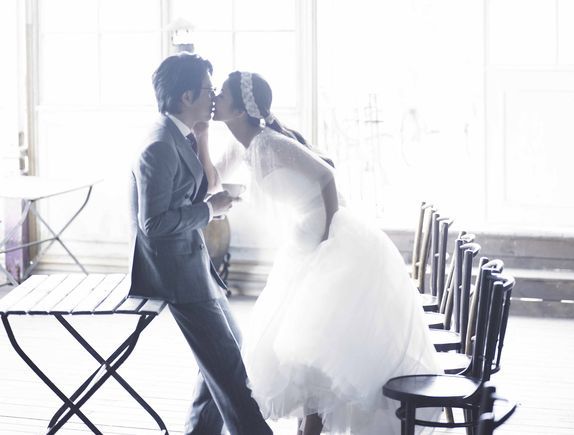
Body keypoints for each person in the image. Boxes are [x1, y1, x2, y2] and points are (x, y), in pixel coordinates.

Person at [212, 71, 442, 435]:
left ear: (240, 110)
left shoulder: (269, 143)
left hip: (329, 236)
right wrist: (199, 133)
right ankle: (309, 427)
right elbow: (211, 179)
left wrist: (331, 233)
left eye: (221, 94)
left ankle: (311, 428)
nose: (214, 96)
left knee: (318, 342)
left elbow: (326, 176)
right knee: (301, 340)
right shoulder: (241, 145)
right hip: (303, 238)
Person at [128, 54, 272, 435]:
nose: (213, 96)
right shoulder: (159, 146)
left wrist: (209, 204)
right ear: (186, 96)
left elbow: (193, 192)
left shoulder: (179, 134)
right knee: (231, 369)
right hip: (173, 273)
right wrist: (208, 211)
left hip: (191, 264)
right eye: (209, 89)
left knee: (228, 354)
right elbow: (152, 224)